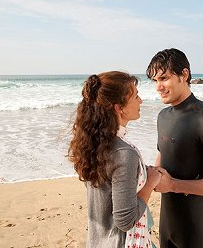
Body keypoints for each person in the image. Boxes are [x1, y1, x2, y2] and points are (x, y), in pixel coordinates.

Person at [146, 49, 203, 248]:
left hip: (198, 228)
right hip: (167, 223)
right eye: (155, 81)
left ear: (184, 75)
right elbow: (163, 156)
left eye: (164, 78)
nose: (158, 87)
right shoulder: (163, 116)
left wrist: (172, 185)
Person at [68, 71, 161, 248]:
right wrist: (150, 183)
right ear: (119, 107)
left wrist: (141, 173)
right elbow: (125, 220)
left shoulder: (94, 144)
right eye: (136, 96)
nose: (141, 101)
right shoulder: (124, 153)